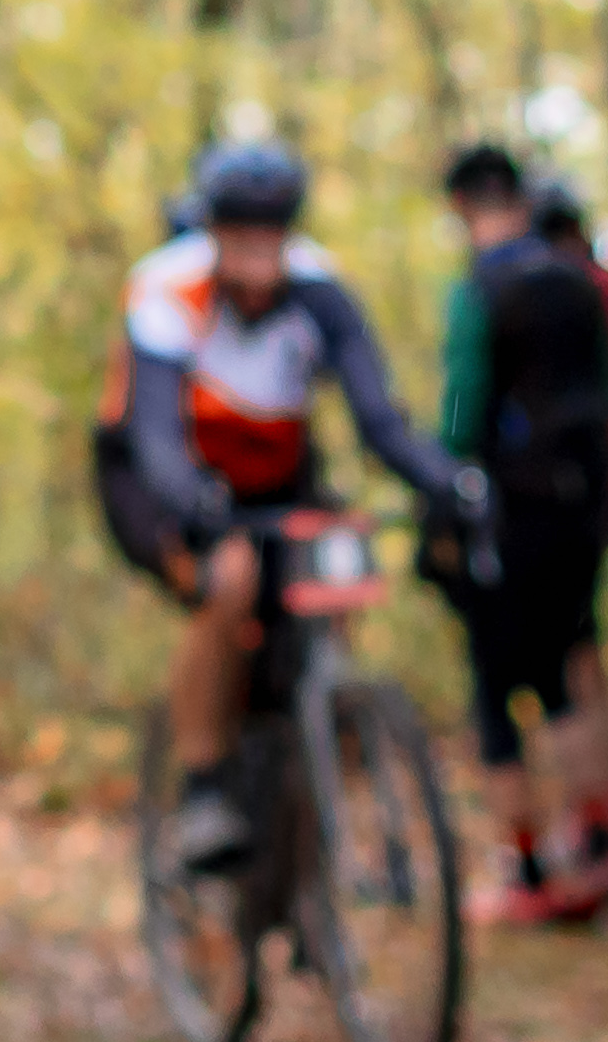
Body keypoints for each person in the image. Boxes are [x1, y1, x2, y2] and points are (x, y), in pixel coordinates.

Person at [96, 141, 474, 872]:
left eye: (271, 239)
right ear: (211, 236)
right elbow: (154, 434)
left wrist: (446, 480)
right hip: (158, 470)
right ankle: (203, 787)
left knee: (335, 576)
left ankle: (324, 760)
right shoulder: (167, 291)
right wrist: (196, 508)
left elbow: (378, 419)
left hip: (276, 473)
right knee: (231, 579)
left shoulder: (321, 290)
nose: (256, 260)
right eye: (238, 239)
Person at [429, 147, 608, 922]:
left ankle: (523, 868)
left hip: (508, 517)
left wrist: (442, 491)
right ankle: (596, 846)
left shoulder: (481, 288)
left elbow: (461, 407)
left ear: (462, 205)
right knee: (566, 672)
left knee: (496, 689)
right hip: (583, 509)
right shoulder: (579, 281)